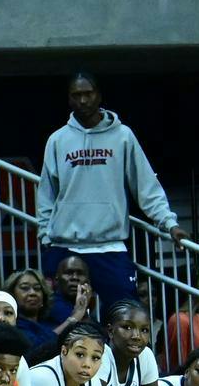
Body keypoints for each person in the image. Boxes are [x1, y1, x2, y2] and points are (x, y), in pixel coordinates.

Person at [36, 70, 184, 311]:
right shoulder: (58, 140)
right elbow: (46, 195)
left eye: (88, 94)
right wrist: (45, 237)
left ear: (99, 95)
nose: (82, 100)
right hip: (65, 246)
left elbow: (146, 186)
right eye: (76, 95)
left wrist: (169, 223)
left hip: (110, 246)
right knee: (59, 317)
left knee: (124, 314)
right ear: (69, 99)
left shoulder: (122, 136)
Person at [2, 268, 59, 347]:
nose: (33, 293)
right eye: (25, 288)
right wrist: (72, 319)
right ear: (12, 295)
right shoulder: (12, 327)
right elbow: (37, 349)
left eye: (37, 288)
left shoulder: (49, 324)